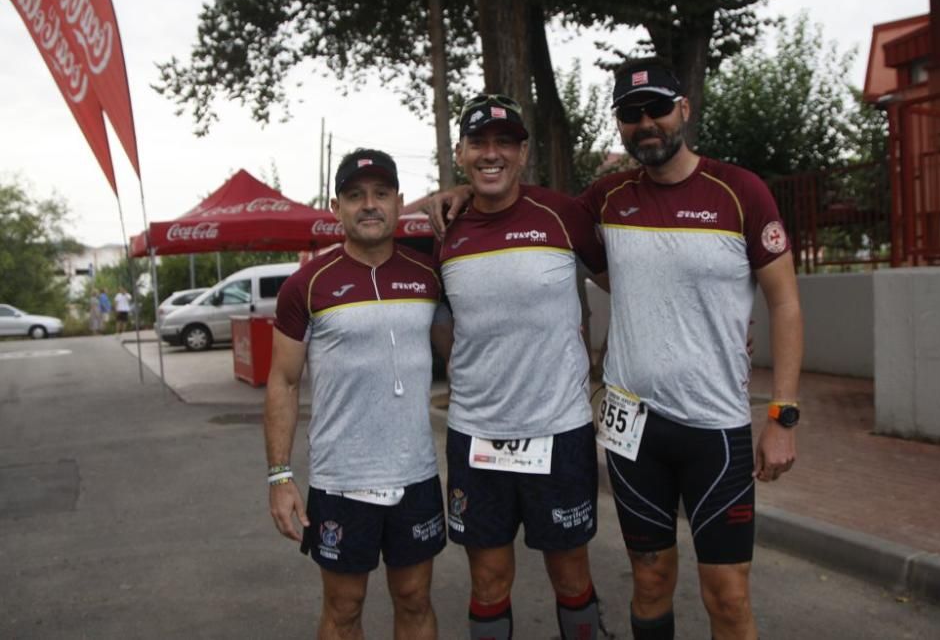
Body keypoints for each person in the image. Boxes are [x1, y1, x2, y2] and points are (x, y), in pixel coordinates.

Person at [429, 58, 803, 640]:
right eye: (631, 114)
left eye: (656, 108)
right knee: (650, 580)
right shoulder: (603, 199)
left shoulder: (740, 191)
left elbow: (785, 305)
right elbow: (603, 270)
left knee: (728, 597)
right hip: (633, 428)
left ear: (684, 108)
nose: (645, 123)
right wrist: (456, 192)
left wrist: (782, 413)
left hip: (716, 426)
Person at [436, 94, 609, 640]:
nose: (492, 155)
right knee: (488, 579)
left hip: (558, 431)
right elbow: (375, 219)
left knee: (570, 572)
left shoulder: (563, 213)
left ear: (524, 152)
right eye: (479, 144)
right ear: (461, 153)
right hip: (477, 436)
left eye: (504, 143)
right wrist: (438, 196)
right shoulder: (443, 229)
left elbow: (628, 282)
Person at [264, 149, 448, 640]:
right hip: (341, 480)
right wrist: (280, 476)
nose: (370, 205)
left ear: (399, 202)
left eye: (381, 194)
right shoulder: (306, 286)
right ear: (335, 206)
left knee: (414, 599)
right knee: (344, 608)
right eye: (355, 195)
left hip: (415, 474)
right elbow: (281, 383)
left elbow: (465, 352)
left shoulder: (429, 275)